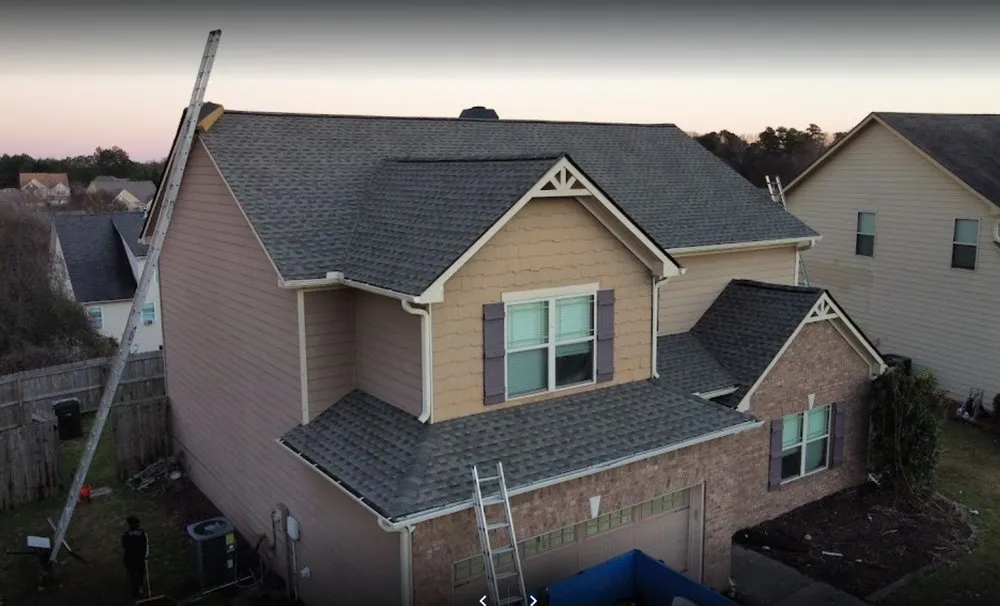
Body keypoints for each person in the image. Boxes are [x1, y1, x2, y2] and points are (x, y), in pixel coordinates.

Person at [121, 516, 149, 601]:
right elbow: (146, 545)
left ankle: (136, 594)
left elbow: (124, 546)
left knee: (133, 577)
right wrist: (146, 555)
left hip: (130, 559)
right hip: (139, 558)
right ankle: (139, 591)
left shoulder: (126, 535)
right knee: (139, 575)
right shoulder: (142, 533)